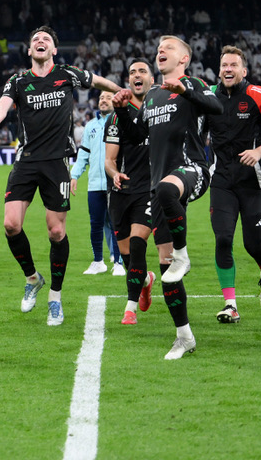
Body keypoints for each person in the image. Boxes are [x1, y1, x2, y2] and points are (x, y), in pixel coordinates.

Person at [0, 26, 124, 326]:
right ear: (30, 51)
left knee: (56, 232)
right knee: (11, 224)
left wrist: (119, 91)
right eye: (35, 40)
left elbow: (95, 81)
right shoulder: (18, 80)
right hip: (26, 161)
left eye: (46, 40)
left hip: (57, 164)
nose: (40, 42)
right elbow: (1, 107)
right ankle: (32, 278)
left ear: (54, 50)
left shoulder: (67, 74)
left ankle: (55, 297)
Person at [139, 35, 223, 360]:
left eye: (169, 47)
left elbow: (216, 106)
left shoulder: (194, 83)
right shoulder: (151, 96)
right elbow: (139, 136)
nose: (161, 51)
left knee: (165, 190)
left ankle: (183, 254)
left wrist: (186, 90)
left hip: (192, 170)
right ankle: (184, 336)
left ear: (184, 59)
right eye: (159, 48)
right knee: (165, 267)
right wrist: (122, 109)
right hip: (159, 183)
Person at [204, 46, 261, 323]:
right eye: (224, 65)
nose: (228, 69)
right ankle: (230, 304)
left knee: (254, 246)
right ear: (219, 70)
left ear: (244, 71)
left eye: (233, 65)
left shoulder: (258, 95)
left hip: (253, 182)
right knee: (223, 238)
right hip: (222, 182)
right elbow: (195, 132)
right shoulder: (209, 98)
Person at [104, 59, 171, 326]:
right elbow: (110, 160)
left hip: (150, 191)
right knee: (129, 257)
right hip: (122, 191)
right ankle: (145, 279)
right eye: (132, 72)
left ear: (152, 79)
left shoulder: (162, 111)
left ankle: (129, 309)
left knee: (137, 244)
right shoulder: (116, 115)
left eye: (142, 71)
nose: (137, 75)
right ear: (129, 80)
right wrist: (114, 173)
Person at [70, 91, 120, 275]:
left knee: (116, 223)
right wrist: (74, 175)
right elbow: (83, 154)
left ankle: (119, 263)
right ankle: (98, 261)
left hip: (114, 182)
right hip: (94, 184)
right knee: (96, 223)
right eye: (101, 98)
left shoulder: (121, 122)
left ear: (115, 101)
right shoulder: (90, 126)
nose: (103, 101)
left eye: (108, 97)